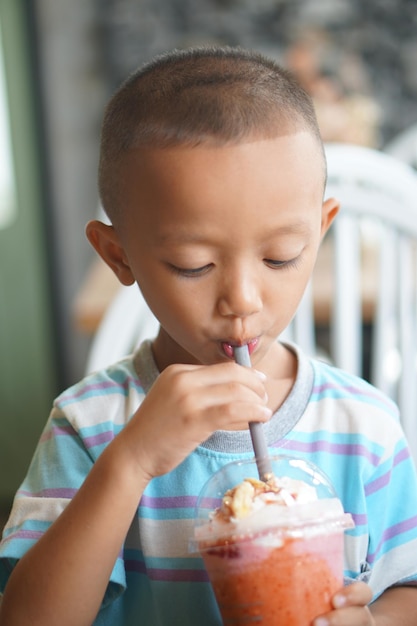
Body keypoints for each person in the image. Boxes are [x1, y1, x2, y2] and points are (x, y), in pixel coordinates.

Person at [1, 46, 417, 626]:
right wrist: (132, 462)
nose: (242, 300)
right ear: (118, 256)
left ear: (320, 233)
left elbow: (408, 590)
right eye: (193, 266)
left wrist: (373, 622)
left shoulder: (364, 426)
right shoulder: (91, 427)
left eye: (280, 257)